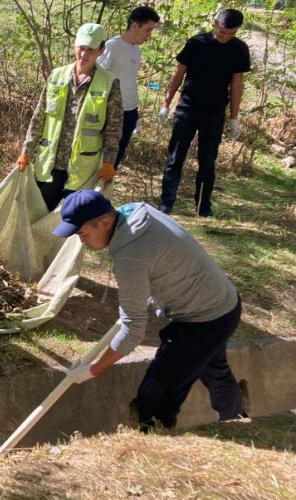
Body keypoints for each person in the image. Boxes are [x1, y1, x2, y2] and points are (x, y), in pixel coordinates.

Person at [55, 190, 245, 432]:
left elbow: (133, 330)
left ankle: (154, 436)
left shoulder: (131, 256)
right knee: (211, 367)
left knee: (155, 396)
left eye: (83, 234)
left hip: (204, 318)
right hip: (224, 301)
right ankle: (237, 419)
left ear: (104, 222)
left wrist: (92, 370)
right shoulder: (133, 212)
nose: (82, 242)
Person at [17, 23, 123, 212]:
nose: (84, 55)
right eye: (81, 48)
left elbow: (114, 129)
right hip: (50, 164)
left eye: (90, 50)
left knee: (75, 223)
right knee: (37, 215)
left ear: (101, 50)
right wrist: (27, 150)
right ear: (75, 46)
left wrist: (109, 161)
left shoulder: (109, 83)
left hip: (83, 169)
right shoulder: (57, 76)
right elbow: (39, 117)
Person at [157, 8, 251, 217]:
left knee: (207, 161)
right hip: (188, 108)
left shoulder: (239, 49)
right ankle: (166, 203)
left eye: (231, 34)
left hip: (215, 112)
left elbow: (237, 84)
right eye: (222, 31)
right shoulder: (196, 43)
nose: (225, 37)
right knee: (175, 157)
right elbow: (178, 73)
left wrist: (234, 118)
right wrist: (166, 103)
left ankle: (203, 207)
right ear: (216, 23)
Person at [97, 6, 160, 169]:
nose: (149, 35)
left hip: (130, 111)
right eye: (147, 30)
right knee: (101, 157)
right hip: (111, 111)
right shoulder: (113, 46)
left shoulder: (136, 50)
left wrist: (134, 113)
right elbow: (99, 78)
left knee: (115, 160)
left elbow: (128, 79)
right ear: (134, 25)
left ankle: (103, 192)